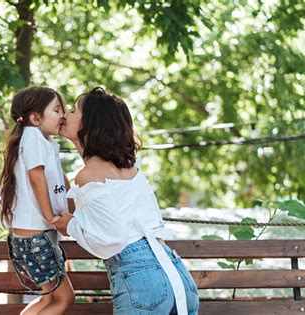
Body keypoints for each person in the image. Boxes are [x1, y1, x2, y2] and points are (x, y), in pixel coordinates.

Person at [55, 87, 199, 314]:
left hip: (143, 282)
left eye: (73, 110)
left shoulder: (89, 175)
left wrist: (70, 226)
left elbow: (112, 238)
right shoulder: (131, 169)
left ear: (90, 124)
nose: (65, 114)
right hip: (176, 274)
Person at [0, 86, 75, 315]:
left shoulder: (38, 140)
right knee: (65, 298)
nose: (62, 115)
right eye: (57, 109)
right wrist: (51, 216)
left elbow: (57, 180)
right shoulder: (33, 138)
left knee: (50, 298)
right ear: (35, 117)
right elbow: (36, 178)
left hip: (32, 238)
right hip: (35, 239)